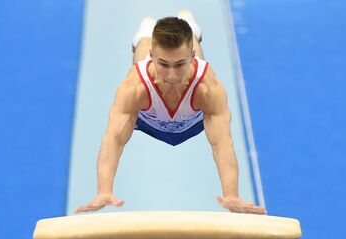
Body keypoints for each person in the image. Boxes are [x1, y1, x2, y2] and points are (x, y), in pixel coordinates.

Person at [75, 11, 266, 215]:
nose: (172, 75)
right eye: (163, 64)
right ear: (153, 56)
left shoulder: (208, 89)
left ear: (191, 58)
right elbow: (114, 139)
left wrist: (231, 195)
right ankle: (147, 32)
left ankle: (189, 26)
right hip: (148, 121)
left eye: (180, 64)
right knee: (140, 56)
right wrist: (104, 190)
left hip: (193, 122)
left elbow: (222, 144)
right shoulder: (135, 88)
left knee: (191, 45)